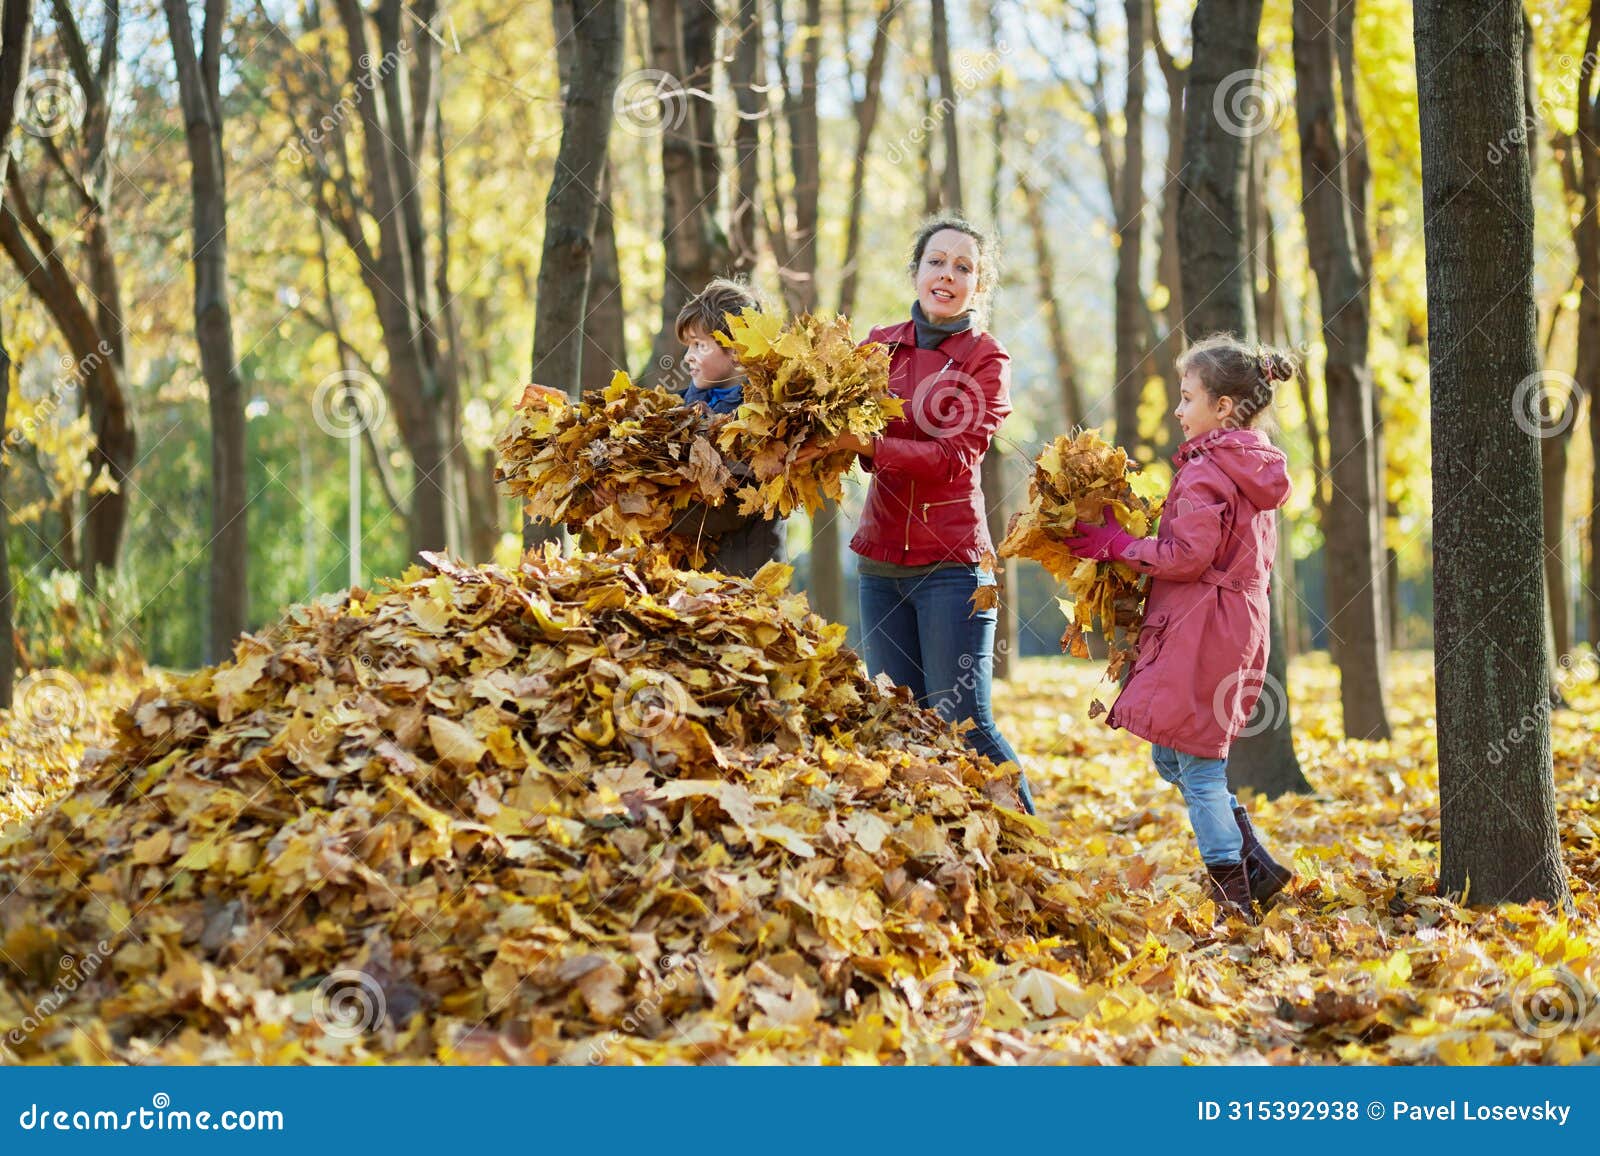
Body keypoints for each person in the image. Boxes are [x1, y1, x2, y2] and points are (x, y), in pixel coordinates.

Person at [1064, 333, 1297, 922]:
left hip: (1204, 628)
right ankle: (1259, 867)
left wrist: (1119, 546)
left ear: (1222, 408)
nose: (1177, 409)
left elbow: (1187, 556)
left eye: (1187, 396)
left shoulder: (1208, 470)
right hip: (1233, 622)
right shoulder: (1251, 461)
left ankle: (1232, 893)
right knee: (1175, 759)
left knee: (1197, 767)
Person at [817, 217, 1035, 815]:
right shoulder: (876, 346)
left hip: (954, 566)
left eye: (964, 268)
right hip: (880, 561)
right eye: (937, 262)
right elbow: (832, 422)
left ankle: (1035, 848)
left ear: (978, 286)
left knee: (963, 719)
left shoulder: (987, 359)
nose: (947, 275)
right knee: (900, 718)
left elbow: (953, 456)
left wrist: (865, 445)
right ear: (915, 271)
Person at [669, 279, 786, 578]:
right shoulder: (675, 407)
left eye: (699, 345)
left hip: (742, 580)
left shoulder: (762, 420)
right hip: (684, 578)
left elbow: (725, 508)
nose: (687, 358)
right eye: (688, 346)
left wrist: (648, 507)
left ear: (735, 349)